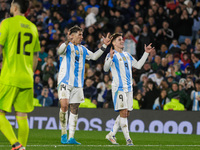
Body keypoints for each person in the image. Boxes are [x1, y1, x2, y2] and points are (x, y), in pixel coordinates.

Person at [57, 25, 111, 144]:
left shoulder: (83, 49)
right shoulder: (67, 46)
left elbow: (95, 56)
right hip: (65, 80)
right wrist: (67, 40)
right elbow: (59, 51)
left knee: (75, 108)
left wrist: (104, 45)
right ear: (72, 36)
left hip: (78, 83)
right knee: (64, 105)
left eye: (82, 34)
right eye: (79, 34)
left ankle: (71, 137)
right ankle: (63, 134)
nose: (82, 36)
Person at [0, 0, 40, 149]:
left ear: (15, 7)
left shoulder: (7, 23)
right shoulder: (33, 27)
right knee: (22, 115)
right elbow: (35, 57)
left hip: (10, 76)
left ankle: (15, 144)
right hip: (27, 78)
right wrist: (30, 73)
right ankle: (22, 148)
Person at [104, 33, 154, 145]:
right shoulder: (112, 54)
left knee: (126, 113)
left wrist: (146, 53)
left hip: (129, 88)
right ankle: (128, 140)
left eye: (122, 39)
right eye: (119, 40)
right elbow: (106, 68)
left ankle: (111, 134)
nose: (122, 41)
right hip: (119, 88)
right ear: (113, 42)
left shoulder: (127, 55)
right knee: (123, 112)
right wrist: (109, 58)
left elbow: (138, 65)